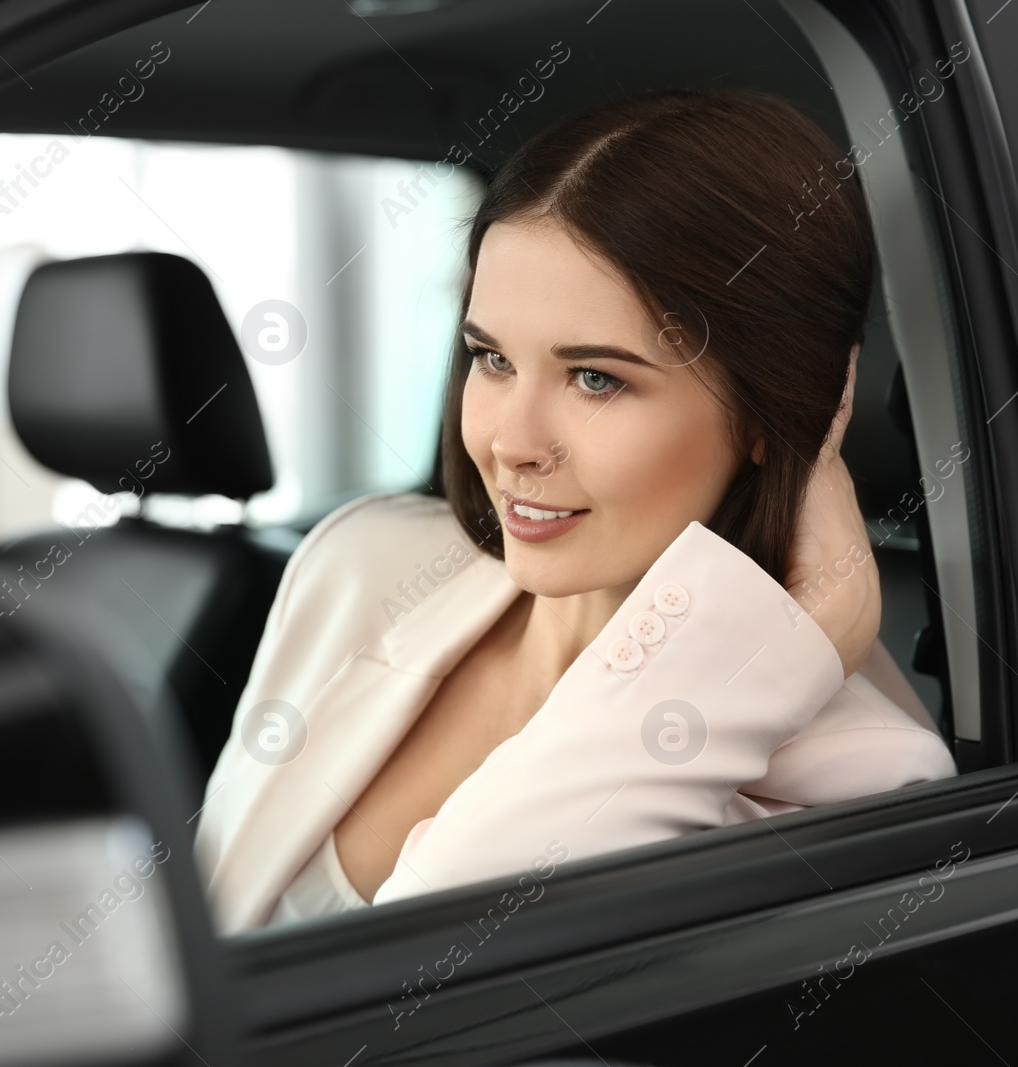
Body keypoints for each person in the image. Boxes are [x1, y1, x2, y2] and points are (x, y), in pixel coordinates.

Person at [194, 87, 957, 936]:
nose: (508, 443)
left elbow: (428, 993)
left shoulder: (863, 785)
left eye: (596, 377)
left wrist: (743, 663)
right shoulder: (358, 566)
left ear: (780, 411)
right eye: (491, 358)